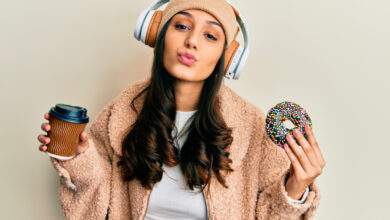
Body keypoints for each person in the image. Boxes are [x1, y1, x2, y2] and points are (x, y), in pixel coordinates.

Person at [37, 0, 325, 219]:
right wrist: (78, 157)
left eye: (210, 36)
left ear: (227, 59)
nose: (192, 41)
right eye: (182, 26)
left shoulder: (251, 126)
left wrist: (296, 187)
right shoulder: (124, 109)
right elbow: (96, 205)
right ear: (158, 35)